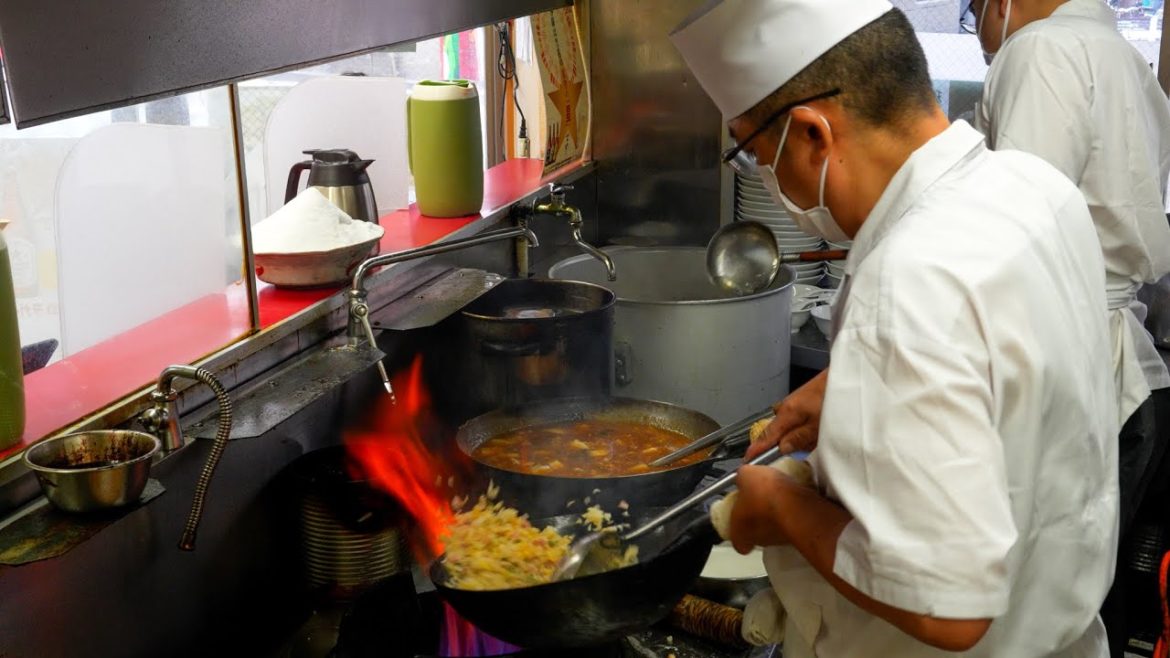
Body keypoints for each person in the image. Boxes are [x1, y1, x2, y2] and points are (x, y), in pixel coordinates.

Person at [670, 0, 1119, 656]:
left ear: (812, 134)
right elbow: (1011, 377)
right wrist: (852, 387)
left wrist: (781, 510)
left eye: (754, 154)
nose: (765, 178)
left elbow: (949, 611)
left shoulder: (908, 276)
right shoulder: (1034, 187)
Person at [972, 0, 1170, 651]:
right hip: (1117, 364)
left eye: (976, 10)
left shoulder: (1040, 50)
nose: (980, 32)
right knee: (1080, 599)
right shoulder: (1125, 60)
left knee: (1026, 612)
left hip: (1061, 366)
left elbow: (1017, 238)